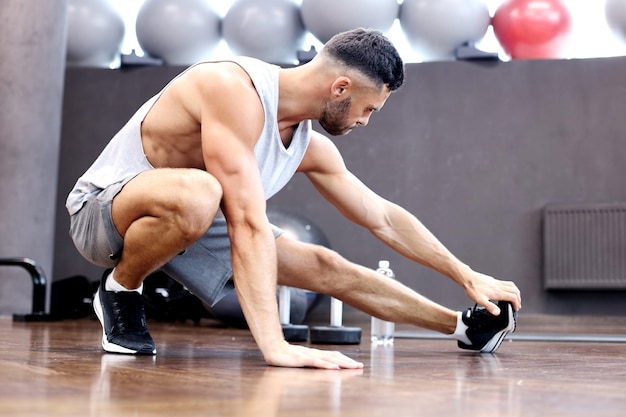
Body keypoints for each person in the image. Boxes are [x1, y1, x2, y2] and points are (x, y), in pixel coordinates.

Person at [66, 28, 521, 369]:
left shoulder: (309, 145)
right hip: (104, 213)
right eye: (367, 109)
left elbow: (381, 216)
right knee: (201, 191)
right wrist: (275, 345)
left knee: (326, 265)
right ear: (340, 87)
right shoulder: (231, 89)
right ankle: (120, 290)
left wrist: (464, 274)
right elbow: (246, 220)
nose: (365, 122)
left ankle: (464, 329)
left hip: (195, 222)